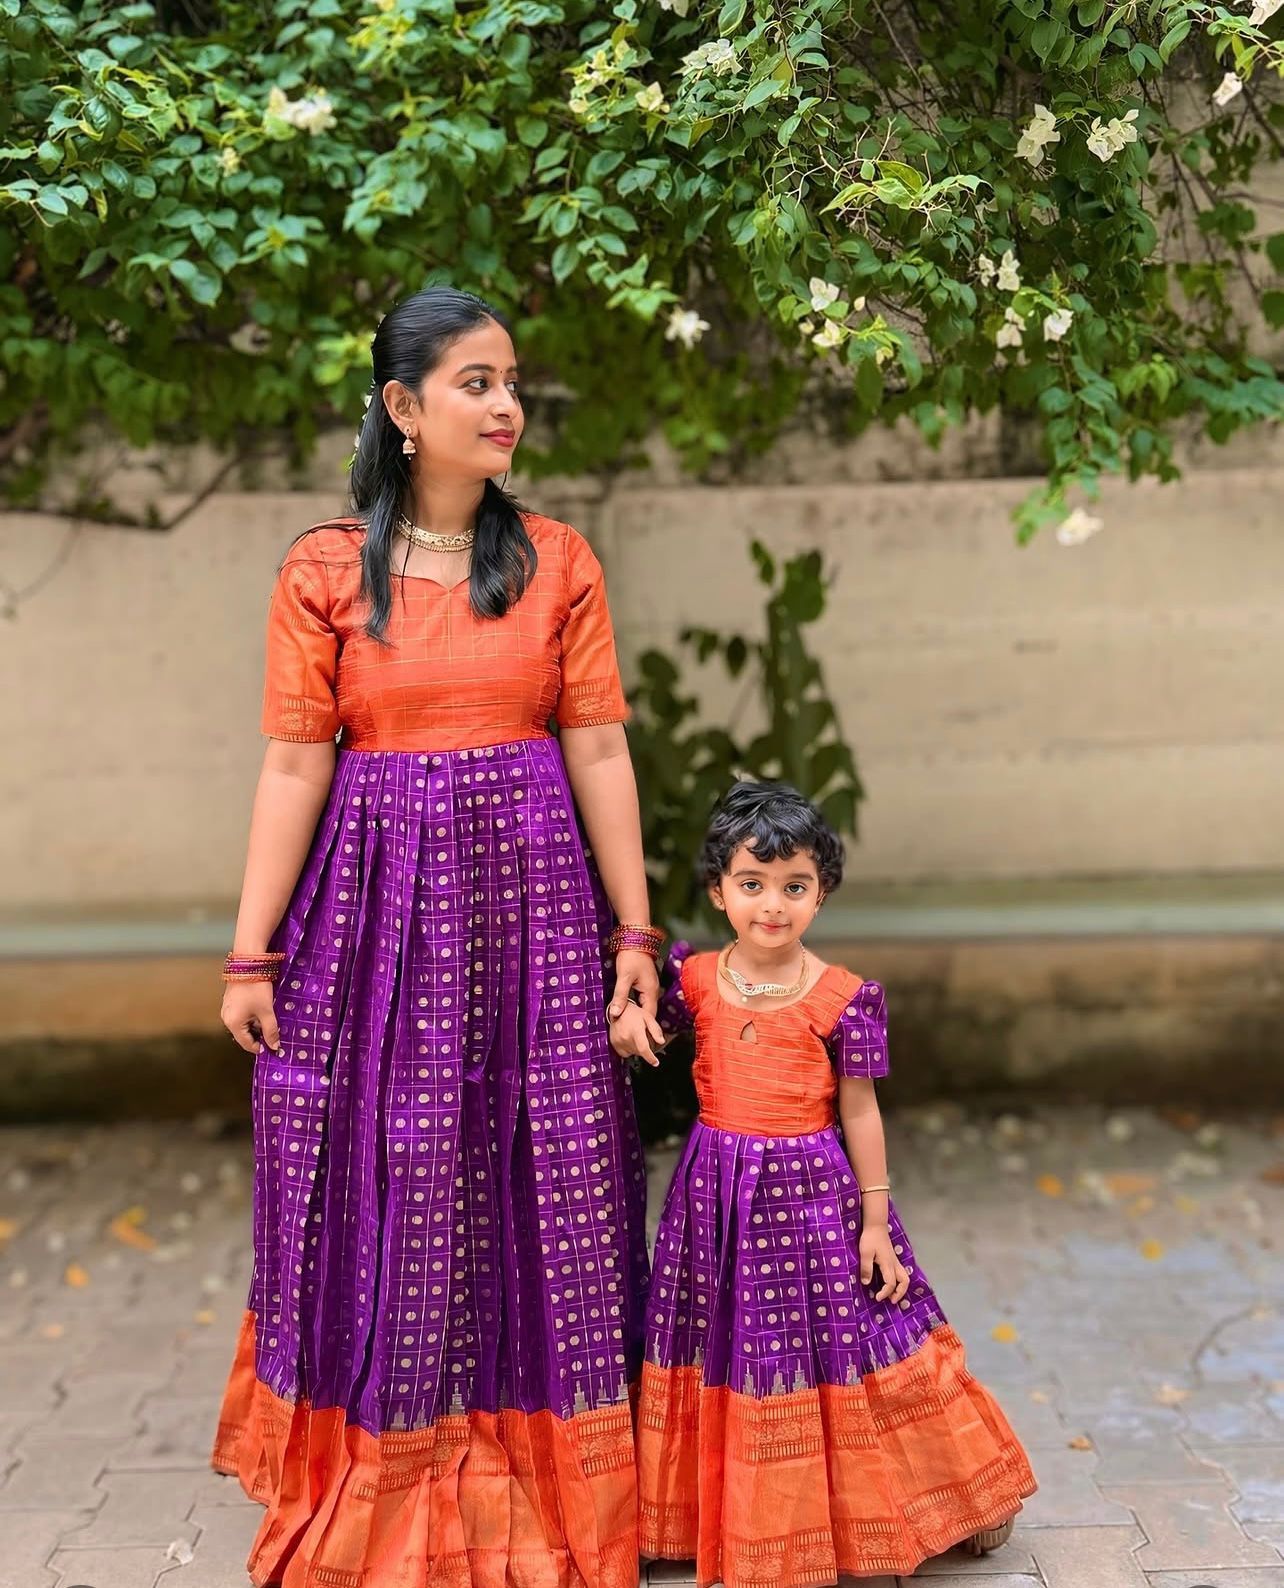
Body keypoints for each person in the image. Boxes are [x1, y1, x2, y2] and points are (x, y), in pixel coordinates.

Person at [211, 285, 668, 1588]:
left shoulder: (559, 563)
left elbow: (596, 746)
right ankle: (394, 1472)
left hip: (533, 908)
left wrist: (635, 930)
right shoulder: (321, 571)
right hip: (374, 923)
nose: (507, 405)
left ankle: (558, 1484)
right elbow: (296, 768)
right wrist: (252, 953)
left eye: (512, 381)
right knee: (392, 1174)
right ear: (404, 409)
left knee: (551, 1175)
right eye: (476, 382)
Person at [611, 780, 1036, 1586]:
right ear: (718, 891)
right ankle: (707, 1518)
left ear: (822, 893)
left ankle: (962, 1499)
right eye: (752, 885)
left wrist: (875, 1223)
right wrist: (629, 1027)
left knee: (860, 1341)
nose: (772, 906)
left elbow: (863, 1113)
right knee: (720, 1347)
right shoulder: (694, 980)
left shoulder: (843, 999)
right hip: (716, 1204)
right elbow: (642, 1029)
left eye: (794, 887)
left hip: (816, 1202)